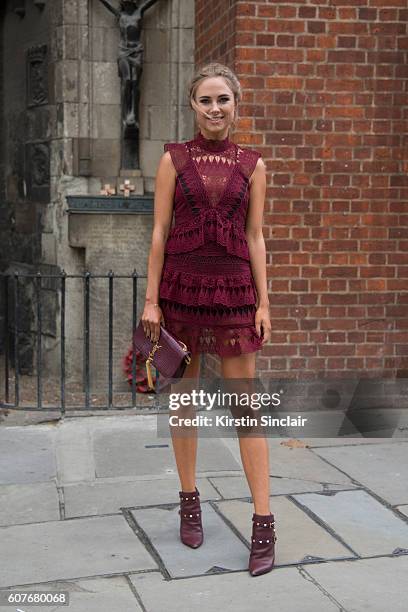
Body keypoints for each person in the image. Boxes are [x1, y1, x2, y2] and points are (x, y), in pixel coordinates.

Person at [141, 63, 275, 576]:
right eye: (205, 100)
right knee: (186, 404)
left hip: (236, 293)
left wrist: (264, 303)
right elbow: (159, 232)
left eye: (223, 100)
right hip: (180, 292)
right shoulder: (174, 159)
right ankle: (189, 498)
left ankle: (263, 521)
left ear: (236, 104)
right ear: (193, 106)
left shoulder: (253, 164)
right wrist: (152, 301)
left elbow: (256, 237)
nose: (214, 109)